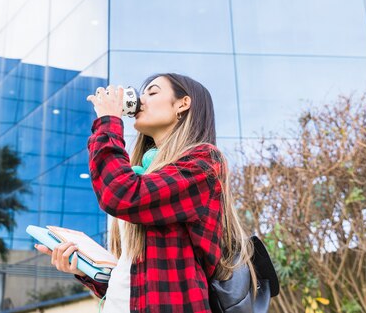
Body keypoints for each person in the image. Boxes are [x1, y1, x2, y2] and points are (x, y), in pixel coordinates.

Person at [35, 73, 257, 313]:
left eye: (152, 92)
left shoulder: (203, 163)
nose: (141, 99)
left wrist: (109, 122)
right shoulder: (142, 172)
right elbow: (134, 284)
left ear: (183, 103)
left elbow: (121, 194)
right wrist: (86, 269)